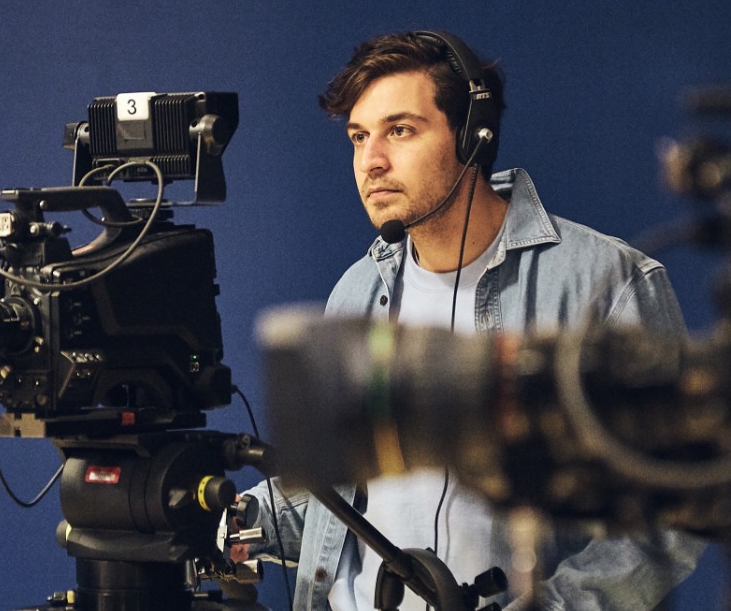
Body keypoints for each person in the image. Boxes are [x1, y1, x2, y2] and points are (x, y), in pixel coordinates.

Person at [238, 30, 705, 610]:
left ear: (474, 137)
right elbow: (345, 493)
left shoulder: (608, 284)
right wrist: (243, 515)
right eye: (359, 137)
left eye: (399, 130)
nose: (371, 162)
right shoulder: (357, 292)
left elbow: (670, 515)